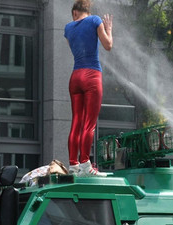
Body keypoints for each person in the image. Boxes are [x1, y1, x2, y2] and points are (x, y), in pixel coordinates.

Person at [64, 0, 113, 176]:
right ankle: (86, 165)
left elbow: (75, 49)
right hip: (92, 75)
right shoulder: (94, 20)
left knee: (76, 121)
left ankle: (73, 165)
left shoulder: (68, 28)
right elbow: (108, 46)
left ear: (75, 12)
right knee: (89, 124)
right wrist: (108, 30)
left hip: (75, 76)